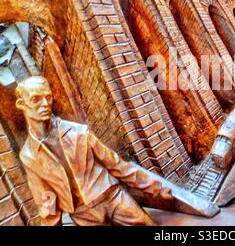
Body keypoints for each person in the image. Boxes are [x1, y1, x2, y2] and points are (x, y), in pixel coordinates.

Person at [16, 76, 172, 226]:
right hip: (83, 216)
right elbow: (45, 198)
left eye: (48, 97)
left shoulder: (78, 132)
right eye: (35, 99)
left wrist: (156, 187)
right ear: (21, 104)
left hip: (114, 200)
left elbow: (117, 165)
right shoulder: (28, 156)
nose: (45, 104)